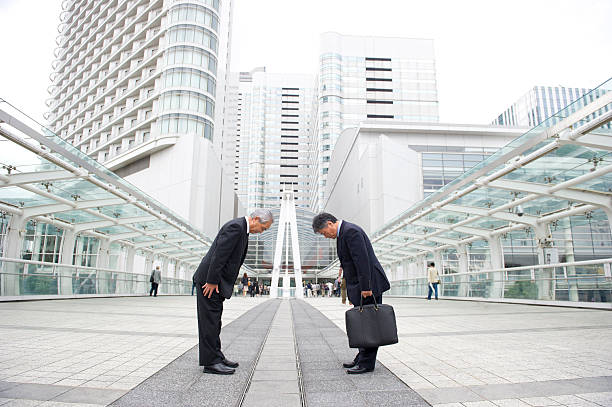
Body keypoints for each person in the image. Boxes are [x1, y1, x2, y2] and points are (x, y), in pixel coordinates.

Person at [193, 209, 273, 375]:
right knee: (209, 322)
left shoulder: (242, 229)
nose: (262, 232)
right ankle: (211, 363)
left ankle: (217, 356)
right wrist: (212, 281)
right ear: (256, 219)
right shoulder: (236, 227)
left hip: (215, 282)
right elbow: (219, 255)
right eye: (264, 228)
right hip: (210, 282)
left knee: (215, 321)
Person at [313, 212, 390, 374]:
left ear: (329, 223)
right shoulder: (343, 233)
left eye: (324, 233)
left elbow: (362, 261)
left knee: (369, 324)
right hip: (360, 285)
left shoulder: (351, 232)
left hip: (369, 285)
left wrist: (365, 287)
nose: (325, 236)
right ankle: (362, 357)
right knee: (363, 322)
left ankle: (367, 363)